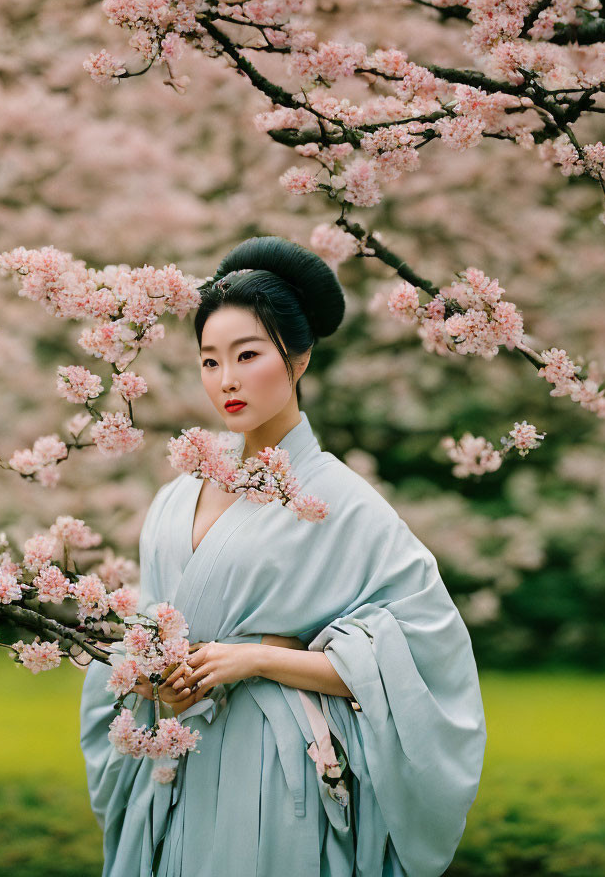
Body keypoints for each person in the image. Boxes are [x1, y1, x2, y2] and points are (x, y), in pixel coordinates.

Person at [79, 236, 486, 877]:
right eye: (209, 361)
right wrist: (151, 672)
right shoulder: (175, 493)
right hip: (174, 748)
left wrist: (260, 657)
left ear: (297, 361)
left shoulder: (340, 500)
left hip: (270, 757)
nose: (227, 379)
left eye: (248, 355)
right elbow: (146, 625)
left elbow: (420, 653)